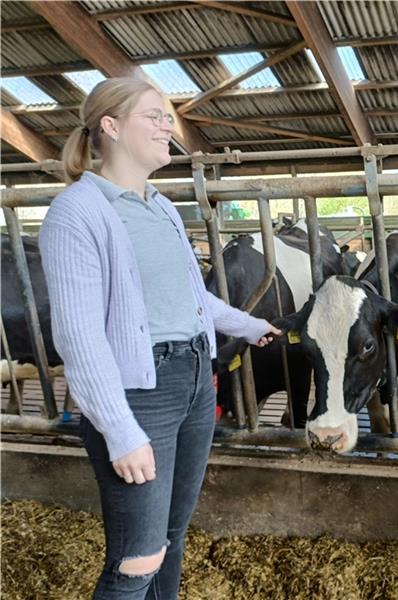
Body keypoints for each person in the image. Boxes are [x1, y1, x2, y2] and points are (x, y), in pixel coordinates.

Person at [39, 77, 281, 599]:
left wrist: (252, 326)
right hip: (138, 393)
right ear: (111, 126)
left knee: (171, 538)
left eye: (167, 117)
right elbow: (78, 336)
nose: (167, 127)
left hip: (195, 380)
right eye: (154, 116)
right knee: (137, 557)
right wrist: (119, 430)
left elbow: (194, 300)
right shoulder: (76, 212)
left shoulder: (163, 207)